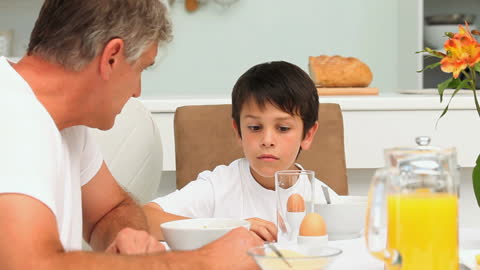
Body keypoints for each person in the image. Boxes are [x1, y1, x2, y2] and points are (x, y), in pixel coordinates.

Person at [0, 0, 262, 269]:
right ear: (111, 57)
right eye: (141, 69)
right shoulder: (10, 111)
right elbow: (28, 264)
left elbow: (109, 211)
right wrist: (202, 262)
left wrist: (129, 239)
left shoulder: (65, 120)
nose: (137, 91)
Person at [144, 61, 339, 242]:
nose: (267, 141)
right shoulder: (219, 185)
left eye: (283, 128)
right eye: (255, 127)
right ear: (238, 131)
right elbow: (144, 217)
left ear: (308, 135)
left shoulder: (322, 197)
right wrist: (227, 229)